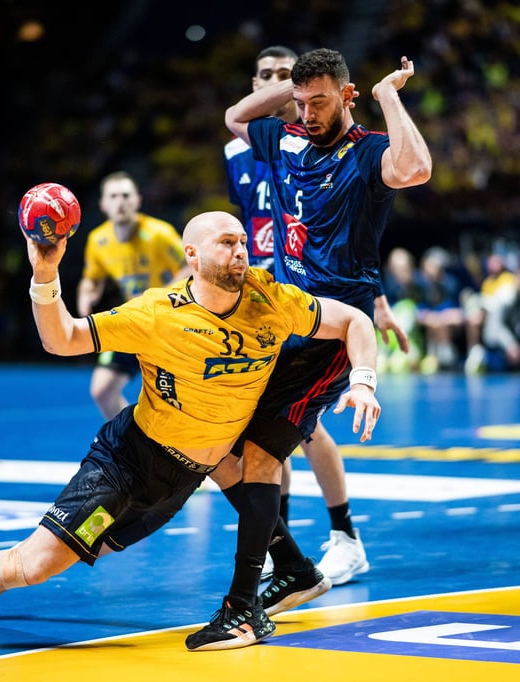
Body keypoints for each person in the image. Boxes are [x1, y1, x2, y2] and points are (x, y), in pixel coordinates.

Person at [0, 210, 382, 656]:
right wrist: (45, 275)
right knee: (38, 563)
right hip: (128, 461)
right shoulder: (156, 313)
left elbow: (354, 322)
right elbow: (63, 339)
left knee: (77, 552)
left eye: (243, 242)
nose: (240, 252)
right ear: (192, 255)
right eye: (226, 243)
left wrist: (362, 381)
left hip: (181, 480)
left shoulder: (270, 299)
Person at [189, 48, 429, 650]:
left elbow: (417, 168)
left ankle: (247, 602)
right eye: (301, 103)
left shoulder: (368, 152)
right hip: (284, 321)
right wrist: (290, 88)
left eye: (319, 102)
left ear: (347, 96)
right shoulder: (288, 139)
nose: (307, 113)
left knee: (264, 450)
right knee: (223, 441)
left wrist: (387, 96)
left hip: (334, 332)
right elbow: (236, 117)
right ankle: (293, 567)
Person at [223, 44, 372, 587]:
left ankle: (343, 535)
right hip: (261, 296)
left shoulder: (329, 145)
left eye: (287, 77)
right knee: (261, 425)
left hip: (313, 301)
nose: (277, 85)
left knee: (303, 427)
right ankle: (276, 541)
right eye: (266, 76)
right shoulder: (242, 149)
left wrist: (374, 304)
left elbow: (354, 231)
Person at [76, 170, 188, 420]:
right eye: (113, 196)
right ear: (103, 204)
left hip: (170, 322)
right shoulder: (98, 240)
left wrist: (161, 295)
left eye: (126, 195)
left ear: (137, 201)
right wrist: (86, 296)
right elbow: (93, 278)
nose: (120, 202)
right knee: (102, 391)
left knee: (174, 402)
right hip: (135, 319)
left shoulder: (159, 233)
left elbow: (191, 265)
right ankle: (128, 438)